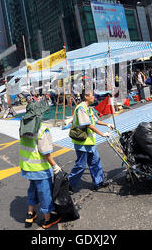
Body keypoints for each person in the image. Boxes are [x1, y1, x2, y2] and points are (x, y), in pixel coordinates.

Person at [19, 101, 62, 229]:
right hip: (41, 169)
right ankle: (47, 219)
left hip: (27, 167)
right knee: (45, 193)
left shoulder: (23, 125)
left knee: (32, 190)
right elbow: (46, 153)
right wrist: (55, 166)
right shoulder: (42, 129)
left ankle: (30, 214)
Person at [68, 90, 114, 192]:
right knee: (81, 165)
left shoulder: (88, 108)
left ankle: (98, 183)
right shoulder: (81, 108)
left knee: (95, 162)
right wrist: (102, 134)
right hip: (82, 143)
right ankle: (69, 185)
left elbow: (96, 120)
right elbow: (88, 124)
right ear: (86, 96)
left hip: (90, 142)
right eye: (92, 95)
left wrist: (107, 125)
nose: (94, 97)